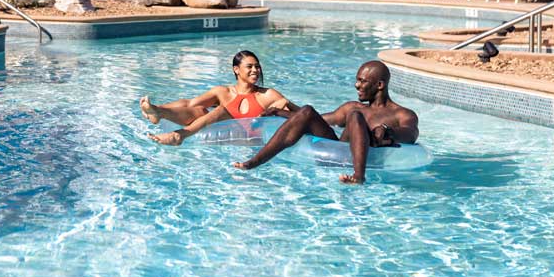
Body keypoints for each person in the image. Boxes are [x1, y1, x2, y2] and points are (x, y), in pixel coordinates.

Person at [154, 60, 417, 185]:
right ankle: (255, 161)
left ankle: (359, 177)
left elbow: (409, 135)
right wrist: (281, 114)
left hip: (366, 154)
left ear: (380, 85)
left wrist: (387, 132)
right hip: (340, 147)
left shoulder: (402, 114)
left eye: (363, 81)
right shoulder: (352, 106)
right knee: (307, 111)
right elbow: (318, 120)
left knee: (357, 117)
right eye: (357, 80)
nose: (357, 85)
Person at [142, 51, 296, 141]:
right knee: (199, 110)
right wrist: (158, 108)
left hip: (250, 143)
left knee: (220, 111)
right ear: (236, 69)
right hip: (222, 139)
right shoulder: (223, 92)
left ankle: (179, 136)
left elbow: (302, 117)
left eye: (257, 66)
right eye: (249, 66)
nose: (255, 70)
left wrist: (287, 103)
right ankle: (158, 113)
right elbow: (189, 104)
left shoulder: (268, 94)